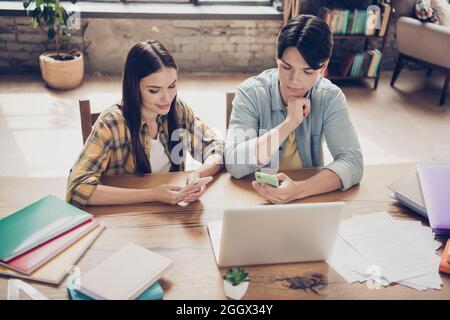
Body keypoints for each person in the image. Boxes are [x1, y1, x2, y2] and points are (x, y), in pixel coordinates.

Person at [67, 40, 224, 208]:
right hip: (126, 218)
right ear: (134, 87)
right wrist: (153, 194)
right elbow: (77, 189)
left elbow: (217, 147)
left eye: (172, 86)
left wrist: (198, 175)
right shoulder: (111, 124)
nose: (167, 98)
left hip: (172, 215)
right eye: (154, 90)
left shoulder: (178, 111)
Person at [225, 15, 363, 204]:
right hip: (255, 197)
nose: (294, 80)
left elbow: (353, 162)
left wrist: (299, 190)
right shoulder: (250, 93)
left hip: (307, 198)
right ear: (277, 59)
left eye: (307, 71)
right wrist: (289, 123)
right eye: (286, 67)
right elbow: (234, 163)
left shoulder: (329, 97)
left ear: (324, 67)